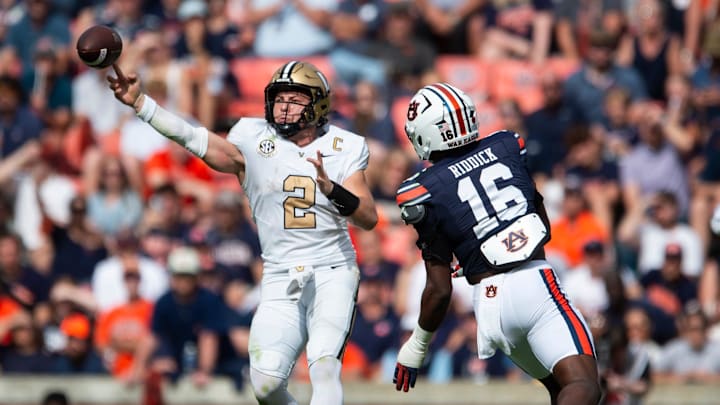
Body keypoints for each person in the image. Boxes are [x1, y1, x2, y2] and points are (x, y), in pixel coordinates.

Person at [107, 59, 378, 405]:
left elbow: (368, 217)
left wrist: (333, 191)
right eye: (280, 99)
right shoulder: (252, 138)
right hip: (281, 273)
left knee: (324, 365)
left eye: (295, 99)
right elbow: (192, 137)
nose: (284, 106)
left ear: (318, 104)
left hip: (332, 269)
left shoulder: (345, 146)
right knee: (265, 386)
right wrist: (143, 104)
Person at [392, 83, 600, 404]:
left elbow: (439, 289)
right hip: (533, 283)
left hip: (489, 307)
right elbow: (542, 225)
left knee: (561, 391)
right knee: (584, 385)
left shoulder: (421, 189)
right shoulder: (506, 144)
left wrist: (416, 346)